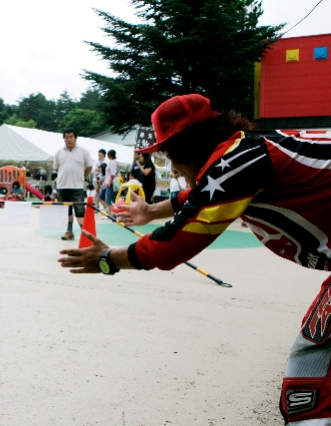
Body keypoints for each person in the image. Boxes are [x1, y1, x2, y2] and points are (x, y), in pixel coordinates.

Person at [57, 93, 331, 424]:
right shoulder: (244, 151)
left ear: (192, 147)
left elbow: (172, 246)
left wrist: (108, 259)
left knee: (311, 373)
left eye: (171, 155)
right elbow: (200, 192)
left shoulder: (239, 163)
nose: (171, 166)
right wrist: (149, 211)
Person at [54, 128, 93, 241]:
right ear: (64, 139)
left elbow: (89, 167)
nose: (69, 139)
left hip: (77, 187)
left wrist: (82, 177)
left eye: (71, 137)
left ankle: (85, 234)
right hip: (62, 187)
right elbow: (57, 169)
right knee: (66, 211)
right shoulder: (59, 153)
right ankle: (69, 232)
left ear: (75, 138)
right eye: (66, 137)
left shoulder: (83, 151)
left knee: (80, 211)